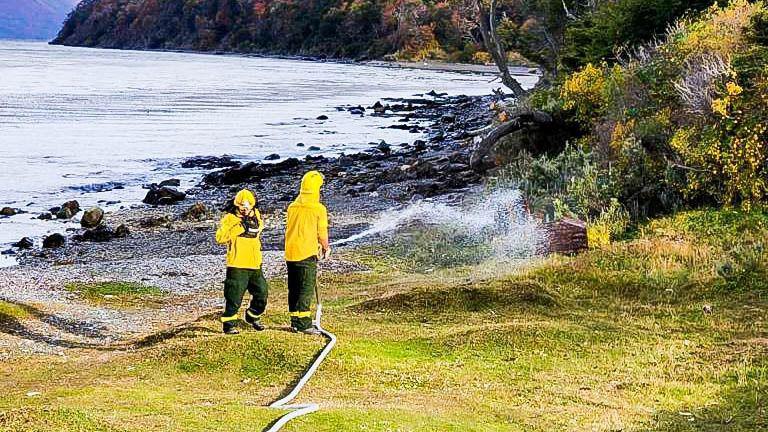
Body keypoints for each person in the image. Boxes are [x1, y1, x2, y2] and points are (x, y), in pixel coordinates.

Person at [215, 189, 269, 334]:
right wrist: (240, 228)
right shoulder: (229, 218)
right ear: (237, 205)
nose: (245, 209)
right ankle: (229, 324)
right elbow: (220, 238)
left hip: (255, 263)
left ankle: (252, 316)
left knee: (262, 293)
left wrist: (254, 225)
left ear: (252, 205)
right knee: (234, 297)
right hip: (237, 265)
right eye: (242, 206)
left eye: (248, 206)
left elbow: (259, 228)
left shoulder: (256, 215)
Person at [285, 171, 330, 335]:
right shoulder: (318, 209)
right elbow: (322, 233)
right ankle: (304, 323)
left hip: (290, 252)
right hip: (306, 252)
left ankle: (295, 320)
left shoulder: (292, 206)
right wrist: (325, 247)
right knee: (306, 288)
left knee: (294, 287)